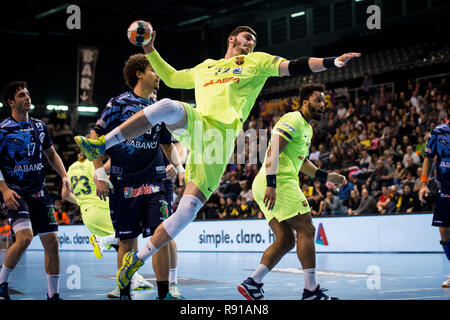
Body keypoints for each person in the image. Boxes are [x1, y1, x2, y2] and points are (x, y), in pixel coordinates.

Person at [74, 25, 359, 292]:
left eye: (254, 41)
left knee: (186, 211)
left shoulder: (255, 62)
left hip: (219, 141)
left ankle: (138, 258)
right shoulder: (206, 67)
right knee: (166, 105)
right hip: (199, 123)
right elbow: (172, 77)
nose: (251, 43)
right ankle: (103, 143)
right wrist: (149, 47)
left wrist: (332, 61)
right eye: (247, 38)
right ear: (232, 40)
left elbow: (294, 66)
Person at [84, 54, 185, 300]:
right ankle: (124, 292)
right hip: (124, 181)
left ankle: (166, 294)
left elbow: (166, 143)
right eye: (153, 70)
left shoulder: (158, 106)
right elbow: (93, 141)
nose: (158, 74)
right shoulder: (118, 104)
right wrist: (99, 175)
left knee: (160, 234)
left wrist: (181, 169)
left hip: (155, 179)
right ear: (139, 74)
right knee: (127, 240)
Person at [238, 83, 347, 300]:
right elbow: (274, 149)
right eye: (318, 100)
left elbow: (302, 162)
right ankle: (311, 291)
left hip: (271, 181)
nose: (323, 104)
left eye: (324, 100)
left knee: (286, 239)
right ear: (305, 102)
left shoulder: (308, 128)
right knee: (307, 228)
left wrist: (327, 176)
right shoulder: (293, 119)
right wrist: (272, 183)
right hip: (277, 180)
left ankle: (253, 282)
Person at [0, 81, 71, 300]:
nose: (27, 97)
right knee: (25, 238)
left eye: (28, 93)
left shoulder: (39, 126)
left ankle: (53, 294)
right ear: (11, 102)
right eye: (22, 95)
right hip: (16, 193)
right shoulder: (2, 130)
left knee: (52, 242)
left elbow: (51, 154)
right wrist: (4, 190)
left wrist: (64, 176)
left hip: (40, 192)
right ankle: (2, 284)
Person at [64, 147, 155, 298]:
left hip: (86, 215)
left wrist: (82, 202)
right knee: (129, 237)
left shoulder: (72, 168)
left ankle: (136, 279)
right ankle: (102, 241)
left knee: (121, 245)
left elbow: (65, 195)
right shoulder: (95, 165)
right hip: (101, 209)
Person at [419, 119, 450, 288]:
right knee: (444, 233)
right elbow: (428, 158)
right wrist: (423, 184)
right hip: (445, 190)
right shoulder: (438, 131)